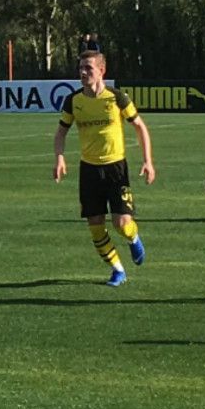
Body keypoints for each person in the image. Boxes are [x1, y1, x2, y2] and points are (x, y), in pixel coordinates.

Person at [53, 50, 155, 286]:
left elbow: (140, 126)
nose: (83, 72)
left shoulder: (117, 98)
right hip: (89, 171)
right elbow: (61, 132)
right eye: (80, 68)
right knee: (95, 226)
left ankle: (133, 238)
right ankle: (117, 270)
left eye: (88, 68)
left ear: (102, 70)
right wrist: (59, 157)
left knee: (122, 224)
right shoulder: (74, 100)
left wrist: (148, 161)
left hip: (116, 168)